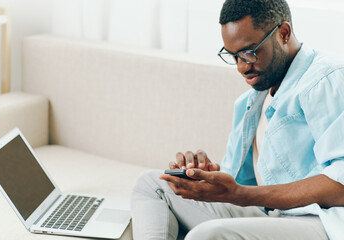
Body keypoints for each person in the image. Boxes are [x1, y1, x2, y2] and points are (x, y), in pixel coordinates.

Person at [131, 0, 344, 239]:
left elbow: (341, 185)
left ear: (283, 33)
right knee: (151, 184)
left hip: (321, 220)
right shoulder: (250, 101)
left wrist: (239, 194)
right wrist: (207, 177)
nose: (241, 67)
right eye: (233, 56)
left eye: (249, 52)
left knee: (205, 235)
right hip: (270, 214)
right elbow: (240, 182)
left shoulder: (325, 79)